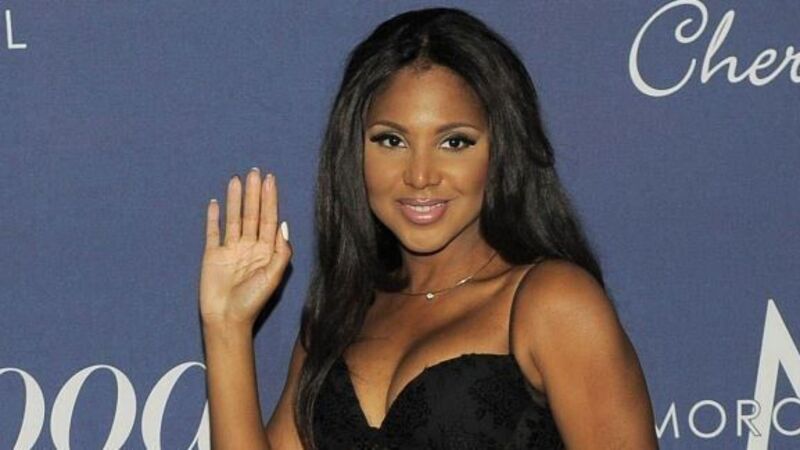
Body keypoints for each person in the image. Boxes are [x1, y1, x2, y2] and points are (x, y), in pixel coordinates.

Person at [199, 7, 658, 450]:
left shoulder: (552, 302)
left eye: (454, 142)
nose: (420, 176)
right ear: (354, 151)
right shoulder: (339, 317)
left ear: (502, 150)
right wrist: (226, 325)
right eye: (391, 140)